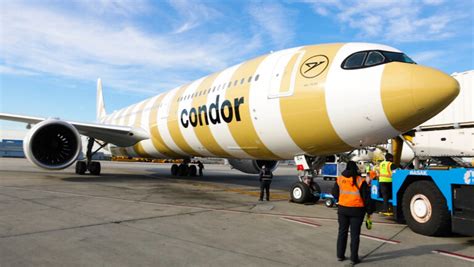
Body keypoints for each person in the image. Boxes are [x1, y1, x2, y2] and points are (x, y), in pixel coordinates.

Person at [332, 161, 373, 265]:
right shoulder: (360, 180)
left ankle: (340, 255)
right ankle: (354, 258)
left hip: (342, 210)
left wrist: (341, 200)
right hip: (357, 211)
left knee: (342, 232)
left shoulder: (340, 179)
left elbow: (334, 193)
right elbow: (366, 198)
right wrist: (369, 212)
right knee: (355, 235)